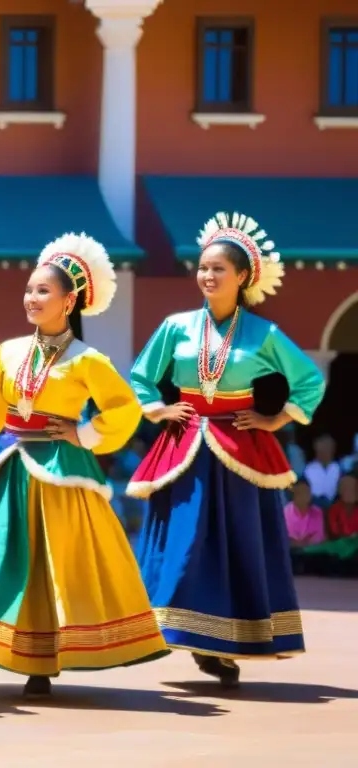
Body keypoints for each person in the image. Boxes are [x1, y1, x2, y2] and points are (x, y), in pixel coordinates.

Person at [0, 233, 167, 697]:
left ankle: (42, 660)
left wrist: (84, 433)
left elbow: (124, 409)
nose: (32, 298)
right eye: (29, 290)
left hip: (60, 472)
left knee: (54, 564)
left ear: (69, 301)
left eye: (43, 291)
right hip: (10, 467)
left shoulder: (89, 360)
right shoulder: (8, 352)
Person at [128, 211, 326, 688]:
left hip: (240, 449)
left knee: (235, 543)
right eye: (202, 267)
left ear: (242, 277)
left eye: (219, 268)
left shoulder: (265, 335)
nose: (208, 275)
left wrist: (276, 418)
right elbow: (140, 375)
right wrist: (158, 410)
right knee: (184, 541)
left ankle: (221, 644)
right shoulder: (175, 327)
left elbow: (309, 380)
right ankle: (176, 628)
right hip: (184, 446)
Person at [284, 478, 326, 548]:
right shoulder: (285, 513)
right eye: (301, 492)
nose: (305, 495)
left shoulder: (318, 512)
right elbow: (284, 539)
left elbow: (319, 537)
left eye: (307, 492)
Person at [304, 435, 340, 509]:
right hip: (314, 507)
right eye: (322, 447)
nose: (325, 450)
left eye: (328, 447)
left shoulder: (338, 468)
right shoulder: (309, 469)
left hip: (335, 507)